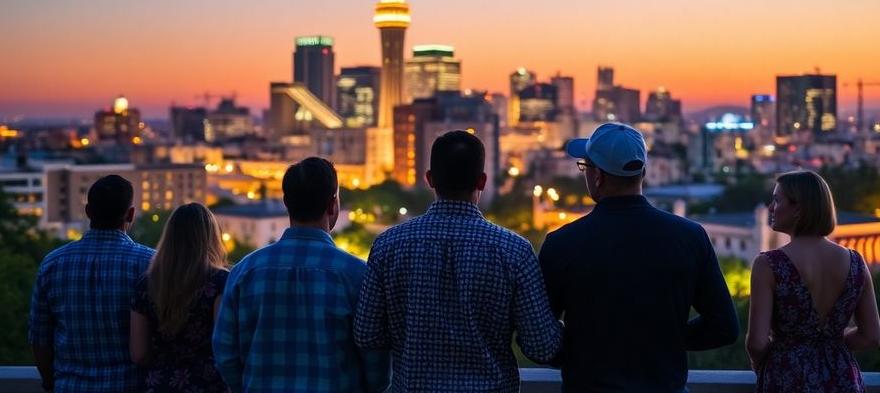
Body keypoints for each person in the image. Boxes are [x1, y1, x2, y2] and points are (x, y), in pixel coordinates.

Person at [355, 130, 562, 393]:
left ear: (429, 179)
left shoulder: (389, 245)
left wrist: (408, 333)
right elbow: (542, 346)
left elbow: (366, 333)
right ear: (483, 181)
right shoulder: (514, 252)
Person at [539, 122, 739, 392]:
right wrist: (664, 338)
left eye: (584, 167)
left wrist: (582, 352)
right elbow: (724, 326)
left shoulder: (562, 244)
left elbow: (539, 337)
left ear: (597, 176)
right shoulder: (690, 237)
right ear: (643, 172)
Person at [213, 157, 390, 393]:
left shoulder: (245, 272)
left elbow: (225, 353)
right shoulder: (358, 275)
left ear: (286, 202)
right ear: (332, 204)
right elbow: (376, 361)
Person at [747, 170, 880, 392]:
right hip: (843, 379)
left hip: (786, 377)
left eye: (777, 200)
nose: (771, 208)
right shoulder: (856, 262)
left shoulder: (769, 264)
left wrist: (763, 363)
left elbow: (757, 343)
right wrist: (830, 343)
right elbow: (871, 337)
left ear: (797, 208)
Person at [29, 174, 155, 392]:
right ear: (131, 214)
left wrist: (52, 382)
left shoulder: (53, 263)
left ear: (88, 212)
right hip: (132, 386)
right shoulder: (150, 264)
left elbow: (39, 337)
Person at [130, 203, 230, 392]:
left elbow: (139, 354)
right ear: (211, 237)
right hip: (207, 384)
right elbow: (222, 347)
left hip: (159, 384)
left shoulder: (146, 284)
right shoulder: (221, 282)